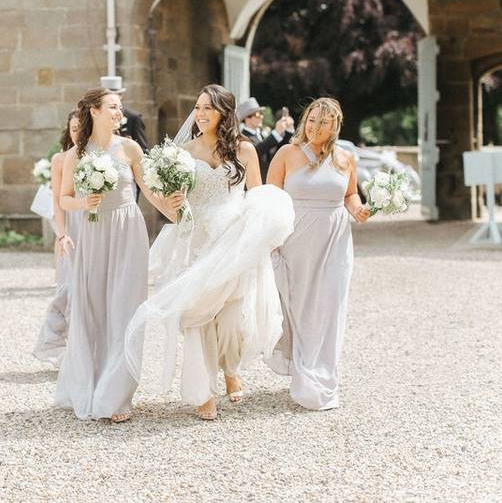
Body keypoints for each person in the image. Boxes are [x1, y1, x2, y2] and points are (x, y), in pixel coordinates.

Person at [125, 84, 295, 420]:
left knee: (232, 318)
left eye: (208, 108)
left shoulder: (244, 151)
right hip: (198, 239)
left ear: (224, 113)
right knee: (198, 316)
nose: (200, 114)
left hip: (235, 240)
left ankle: (230, 368)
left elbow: (257, 196)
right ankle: (201, 390)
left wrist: (267, 232)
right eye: (198, 107)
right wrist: (171, 203)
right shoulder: (183, 152)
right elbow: (174, 205)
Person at [55, 87, 166, 423]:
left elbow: (148, 189)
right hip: (92, 233)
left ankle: (118, 394)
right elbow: (64, 198)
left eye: (120, 108)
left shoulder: (130, 147)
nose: (120, 113)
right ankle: (92, 382)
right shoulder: (75, 154)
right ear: (94, 111)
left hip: (127, 232)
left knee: (124, 307)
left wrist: (175, 209)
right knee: (94, 308)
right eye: (114, 108)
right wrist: (82, 203)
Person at [265, 97, 370, 410]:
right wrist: (270, 241)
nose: (314, 127)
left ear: (335, 126)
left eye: (323, 122)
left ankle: (322, 377)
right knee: (298, 305)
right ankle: (302, 367)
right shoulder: (287, 153)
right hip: (294, 242)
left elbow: (351, 194)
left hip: (335, 242)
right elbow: (270, 199)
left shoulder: (345, 158)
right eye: (311, 120)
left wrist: (359, 210)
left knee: (330, 305)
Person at [33, 110, 81, 367]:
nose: (76, 133)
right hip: (71, 230)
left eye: (81, 128)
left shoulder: (99, 159)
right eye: (72, 128)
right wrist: (62, 234)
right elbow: (57, 203)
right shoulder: (60, 160)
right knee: (70, 290)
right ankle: (70, 349)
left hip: (93, 227)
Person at [237, 96, 295, 180]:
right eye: (257, 114)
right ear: (247, 118)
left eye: (261, 114)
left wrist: (288, 131)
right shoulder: (242, 137)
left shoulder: (261, 135)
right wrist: (276, 132)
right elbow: (257, 151)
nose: (261, 117)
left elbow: (276, 152)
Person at [100, 76, 148, 151]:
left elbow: (143, 150)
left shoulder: (133, 118)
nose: (111, 99)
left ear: (121, 96)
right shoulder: (97, 117)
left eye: (115, 95)